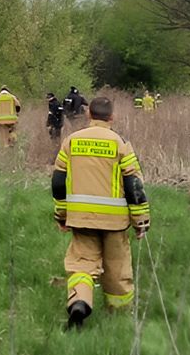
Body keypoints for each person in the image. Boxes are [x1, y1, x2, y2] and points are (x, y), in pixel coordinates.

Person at [51, 96, 150, 329]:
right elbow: (134, 187)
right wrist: (141, 222)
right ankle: (118, 318)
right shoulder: (120, 143)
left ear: (89, 115)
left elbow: (58, 182)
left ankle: (79, 303)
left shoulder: (71, 142)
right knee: (117, 269)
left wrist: (61, 215)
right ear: (111, 117)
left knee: (82, 264)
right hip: (115, 222)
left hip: (81, 219)